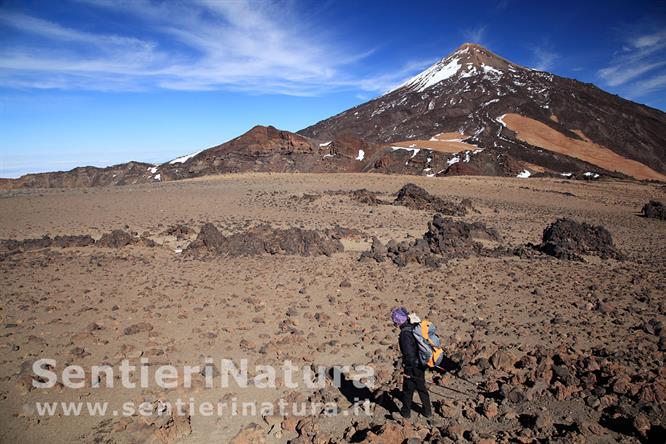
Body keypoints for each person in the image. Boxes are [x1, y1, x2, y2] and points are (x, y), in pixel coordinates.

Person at [391, 307, 432, 419]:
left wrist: (407, 367)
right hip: (421, 362)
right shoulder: (414, 326)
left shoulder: (405, 334)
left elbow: (409, 353)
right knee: (421, 386)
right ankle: (428, 411)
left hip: (413, 365)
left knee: (408, 389)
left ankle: (406, 413)